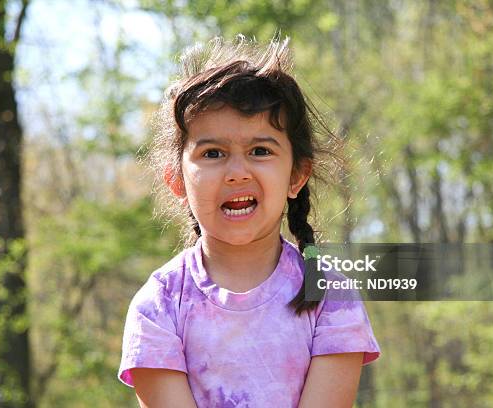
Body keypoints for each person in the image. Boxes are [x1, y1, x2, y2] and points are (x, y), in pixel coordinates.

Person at [117, 35, 381, 408]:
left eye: (260, 151)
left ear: (296, 176)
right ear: (176, 179)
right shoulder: (158, 306)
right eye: (213, 153)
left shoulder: (331, 298)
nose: (237, 172)